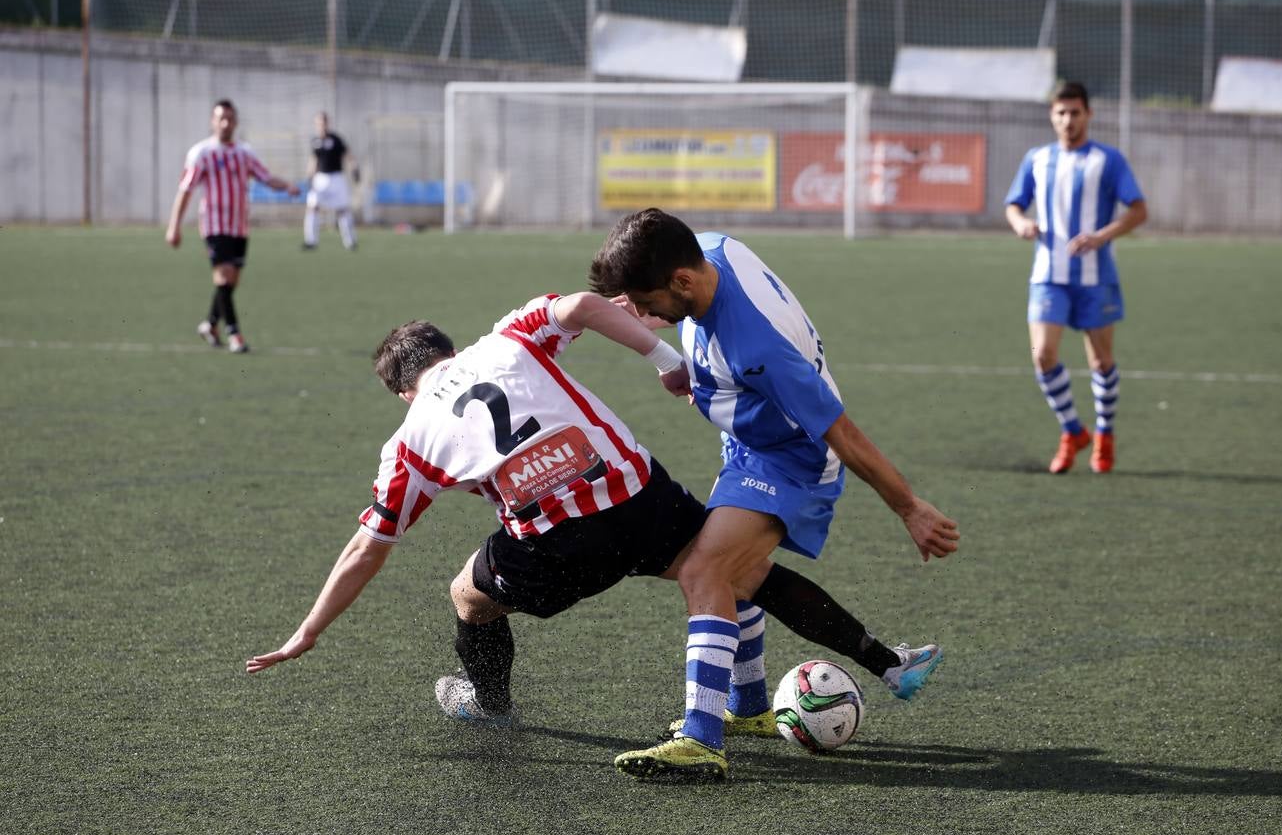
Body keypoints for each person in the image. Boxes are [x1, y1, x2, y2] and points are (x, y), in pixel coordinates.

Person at [246, 293, 942, 764]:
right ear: (448, 352)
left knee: (468, 595)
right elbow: (582, 304)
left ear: (403, 389)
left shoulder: (409, 439)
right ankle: (885, 662)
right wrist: (667, 362)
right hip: (640, 495)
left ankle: (489, 705)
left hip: (558, 544)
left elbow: (369, 546)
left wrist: (307, 631)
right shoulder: (508, 336)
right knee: (735, 571)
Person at [588, 208, 961, 782]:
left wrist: (909, 507)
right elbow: (695, 314)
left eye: (646, 300)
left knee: (704, 569)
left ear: (682, 281)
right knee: (742, 572)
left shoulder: (758, 347)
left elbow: (842, 432)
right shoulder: (712, 248)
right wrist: (668, 344)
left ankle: (700, 738)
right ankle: (781, 697)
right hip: (750, 444)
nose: (642, 314)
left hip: (793, 461)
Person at [1004, 81, 1148, 474]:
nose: (1068, 120)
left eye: (1075, 112)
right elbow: (1014, 204)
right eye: (1061, 112)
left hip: (1095, 276)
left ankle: (1104, 435)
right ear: (1052, 116)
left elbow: (1138, 210)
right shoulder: (1037, 158)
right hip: (1048, 274)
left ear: (1088, 115)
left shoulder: (1108, 160)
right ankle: (1073, 431)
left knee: (1101, 362)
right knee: (1043, 356)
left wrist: (1101, 236)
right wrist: (1020, 223)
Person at [166, 99, 301, 354]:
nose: (225, 123)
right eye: (221, 118)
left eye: (230, 118)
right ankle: (234, 334)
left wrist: (287, 186)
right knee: (224, 275)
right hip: (214, 225)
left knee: (230, 282)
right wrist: (174, 227)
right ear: (212, 121)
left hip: (239, 226)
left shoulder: (244, 153)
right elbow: (185, 191)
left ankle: (210, 324)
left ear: (235, 122)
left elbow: (265, 176)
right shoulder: (201, 153)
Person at [302, 111, 359, 252]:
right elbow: (313, 160)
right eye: (319, 123)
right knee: (312, 207)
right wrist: (309, 176)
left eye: (324, 122)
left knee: (343, 210)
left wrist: (354, 169)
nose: (322, 125)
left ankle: (350, 242)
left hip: (336, 178)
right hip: (320, 178)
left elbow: (348, 155)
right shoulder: (315, 141)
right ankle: (311, 241)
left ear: (328, 123)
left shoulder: (336, 139)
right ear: (316, 124)